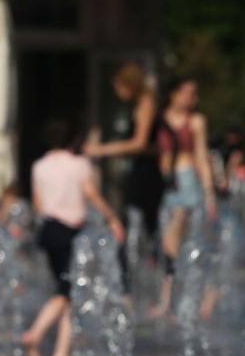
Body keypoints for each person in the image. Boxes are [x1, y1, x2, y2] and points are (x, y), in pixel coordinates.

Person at [21, 120, 125, 356]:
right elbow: (89, 191)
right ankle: (51, 347)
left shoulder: (40, 166)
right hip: (69, 232)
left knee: (65, 289)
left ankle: (50, 346)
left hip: (48, 230)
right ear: (73, 139)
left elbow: (37, 202)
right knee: (73, 293)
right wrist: (111, 217)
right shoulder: (79, 164)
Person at [147, 78, 217, 319]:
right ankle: (172, 300)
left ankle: (199, 292)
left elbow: (201, 155)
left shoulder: (196, 121)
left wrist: (209, 194)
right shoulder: (159, 118)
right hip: (165, 183)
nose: (192, 98)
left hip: (186, 181)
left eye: (195, 94)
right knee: (171, 245)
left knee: (171, 242)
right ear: (173, 94)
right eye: (188, 93)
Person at [85, 62, 163, 273]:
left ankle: (161, 277)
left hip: (147, 173)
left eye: (120, 87)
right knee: (135, 223)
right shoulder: (138, 104)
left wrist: (101, 150)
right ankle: (131, 277)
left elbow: (139, 143)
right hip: (139, 169)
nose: (118, 92)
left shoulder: (147, 102)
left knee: (147, 224)